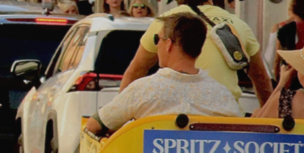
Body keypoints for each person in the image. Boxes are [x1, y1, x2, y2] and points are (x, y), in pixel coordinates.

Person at [117, 0, 271, 105]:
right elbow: (261, 79)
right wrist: (269, 120)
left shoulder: (165, 23)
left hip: (177, 119)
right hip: (225, 119)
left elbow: (136, 71)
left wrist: (118, 116)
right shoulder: (238, 25)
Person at [81, 13, 242, 142]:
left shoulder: (143, 90)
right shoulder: (222, 95)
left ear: (169, 44)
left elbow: (94, 125)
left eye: (157, 39)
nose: (156, 44)